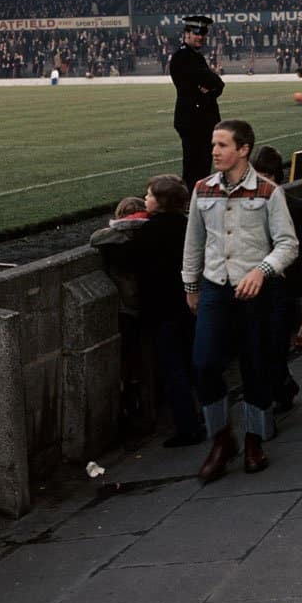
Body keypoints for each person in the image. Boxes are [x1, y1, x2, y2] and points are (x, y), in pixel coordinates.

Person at [182, 120, 298, 483]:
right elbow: (194, 242)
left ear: (244, 148)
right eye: (213, 144)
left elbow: (288, 244)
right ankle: (221, 439)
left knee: (256, 366)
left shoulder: (267, 192)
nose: (214, 151)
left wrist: (261, 271)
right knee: (203, 363)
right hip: (216, 286)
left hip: (256, 290)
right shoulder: (202, 190)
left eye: (222, 145)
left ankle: (253, 440)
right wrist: (191, 285)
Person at [130, 175, 204, 448]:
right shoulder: (187, 226)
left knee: (174, 371)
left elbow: (130, 260)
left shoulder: (148, 232)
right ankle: (209, 416)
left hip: (163, 310)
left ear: (160, 202)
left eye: (149, 195)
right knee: (195, 365)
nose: (145, 198)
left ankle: (188, 427)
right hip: (188, 304)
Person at [250, 144, 302, 414]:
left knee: (275, 342)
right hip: (256, 287)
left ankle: (280, 387)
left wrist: (286, 267)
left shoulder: (294, 207)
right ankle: (281, 385)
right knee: (261, 343)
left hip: (282, 286)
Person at [90, 196, 152, 437]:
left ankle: (135, 411)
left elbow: (96, 237)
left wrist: (121, 226)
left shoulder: (118, 238)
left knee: (131, 361)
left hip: (129, 307)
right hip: (151, 303)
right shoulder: (150, 232)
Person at [170, 15, 225, 192]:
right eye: (196, 33)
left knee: (202, 166)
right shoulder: (183, 56)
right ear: (186, 34)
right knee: (195, 168)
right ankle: (193, 205)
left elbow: (218, 84)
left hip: (201, 119)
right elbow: (194, 89)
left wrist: (209, 88)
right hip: (193, 120)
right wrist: (209, 89)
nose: (200, 37)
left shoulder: (194, 57)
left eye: (203, 34)